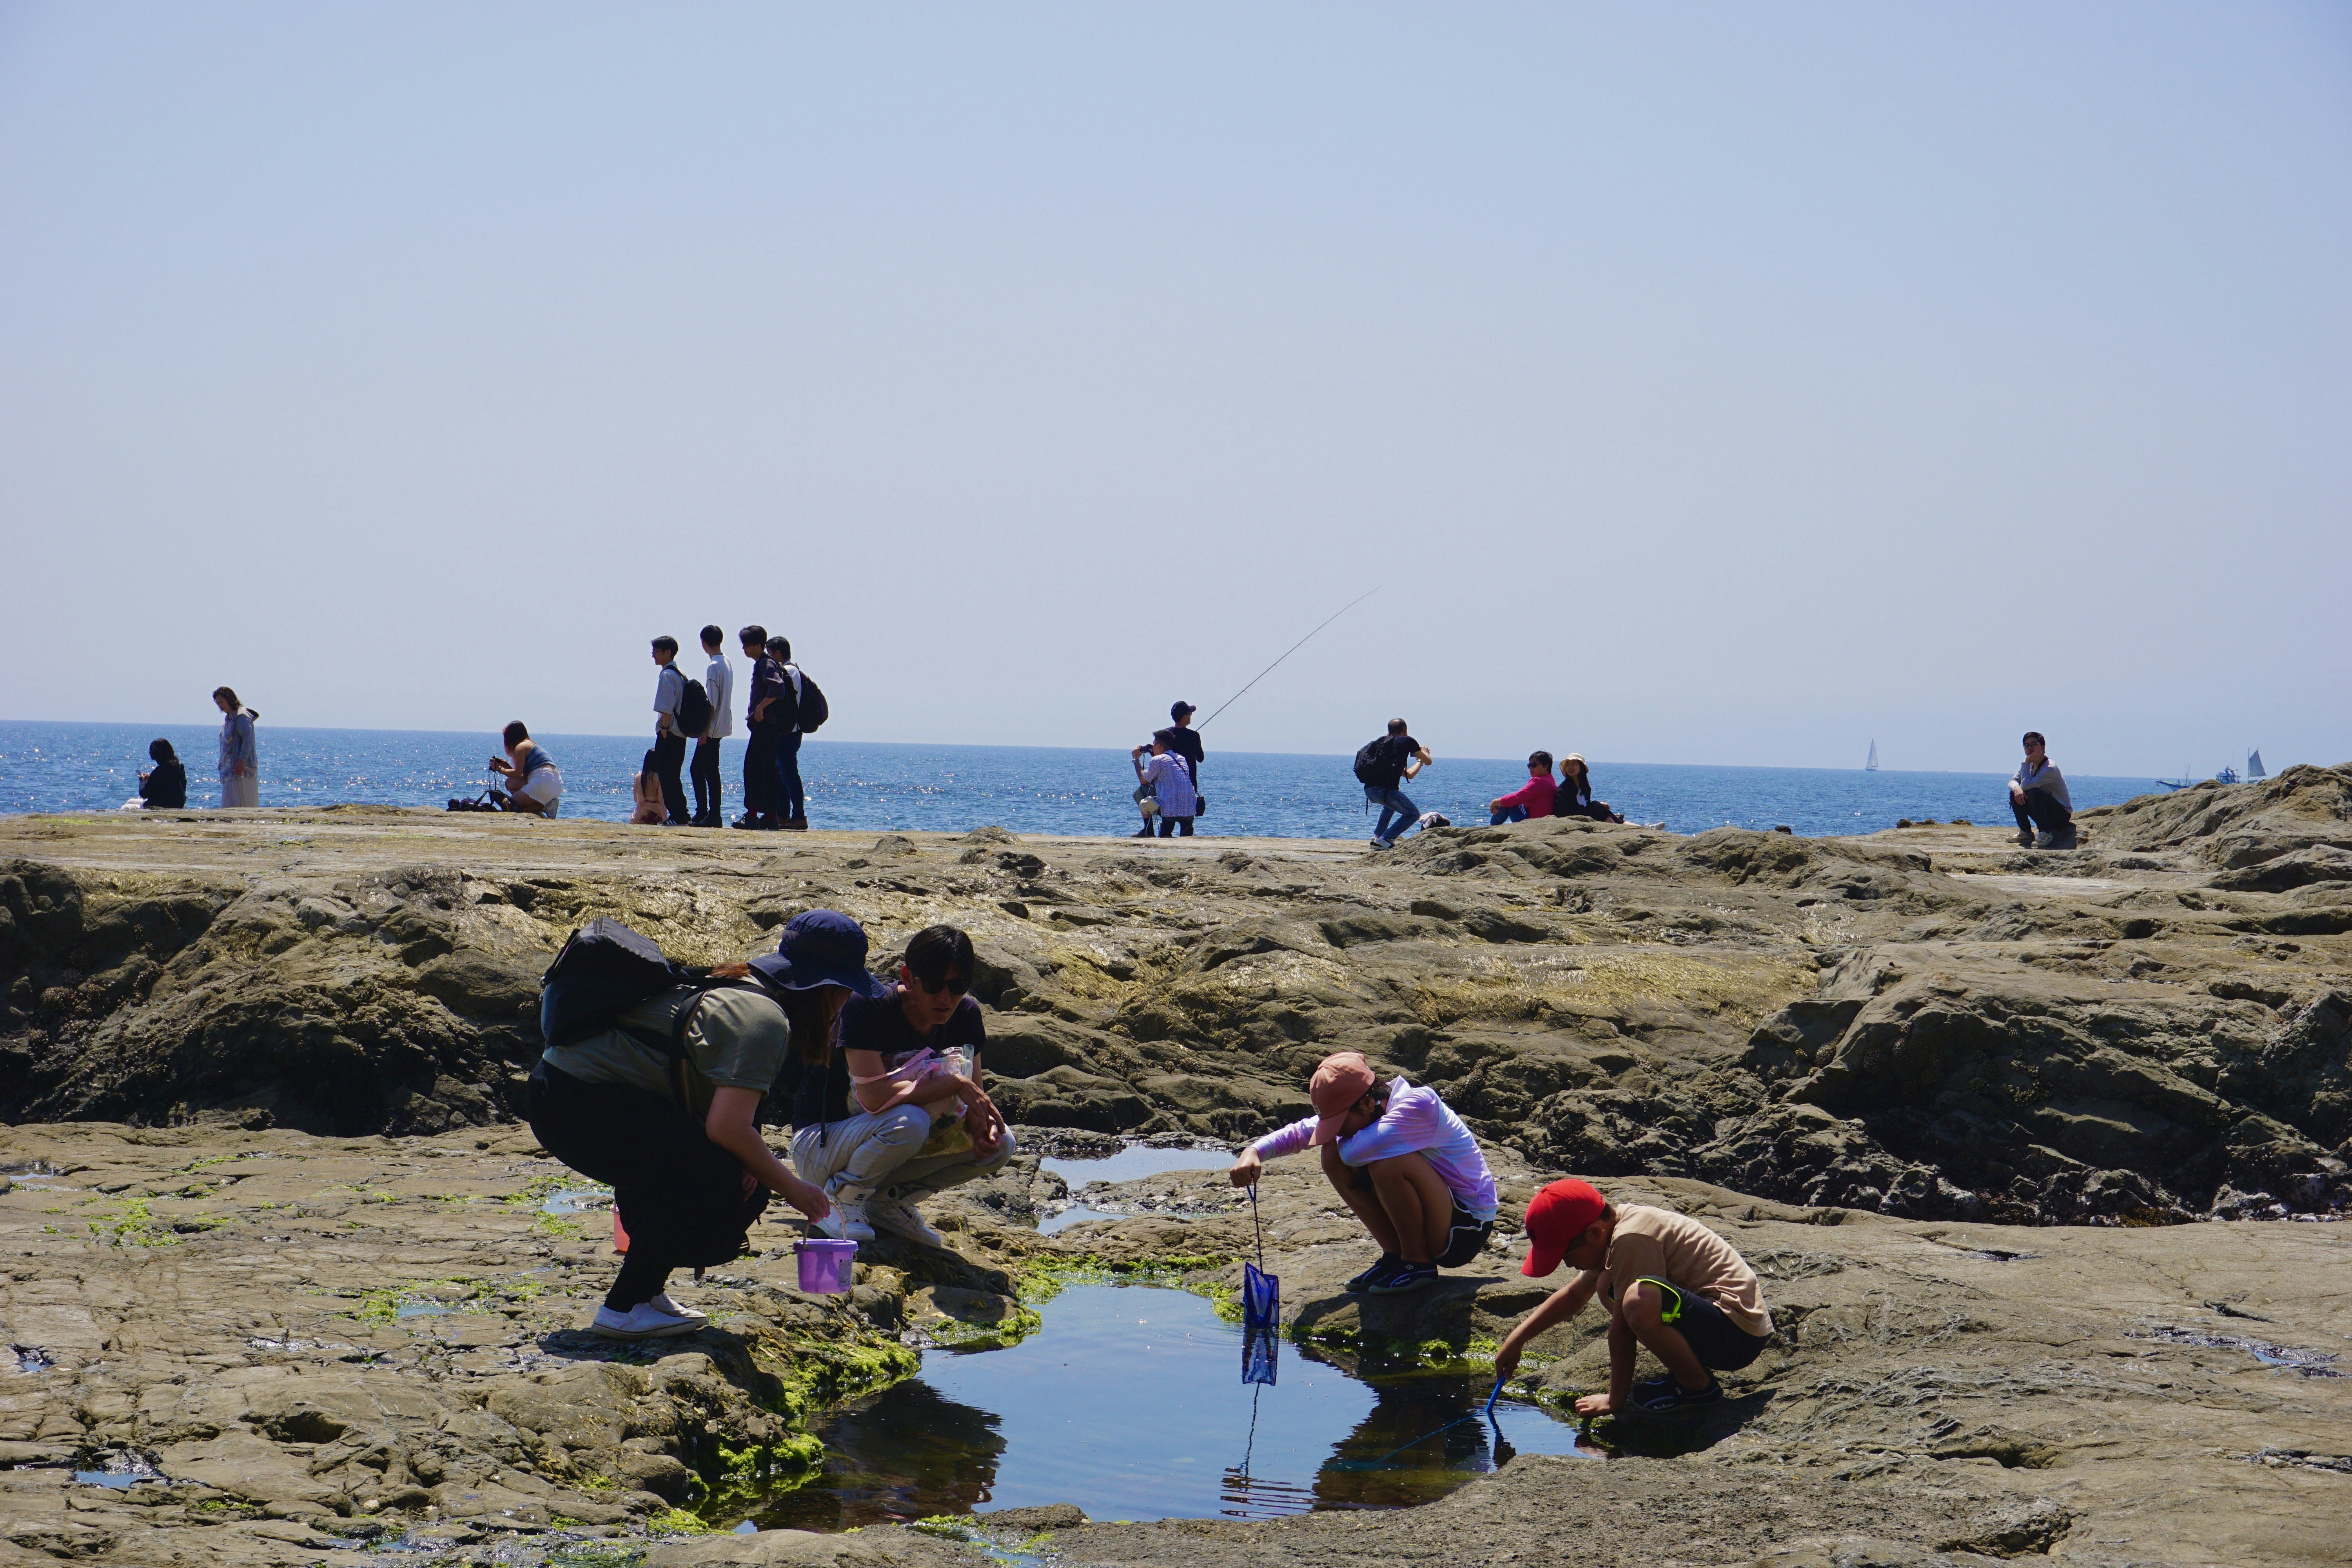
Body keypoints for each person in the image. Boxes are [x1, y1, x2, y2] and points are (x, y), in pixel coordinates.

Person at [524, 918, 852, 1338]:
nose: (847, 1003)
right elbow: (726, 1128)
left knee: (715, 1168)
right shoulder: (766, 1019)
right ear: (826, 990)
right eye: (847, 990)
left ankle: (648, 1295)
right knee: (717, 1178)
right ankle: (624, 1307)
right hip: (576, 1104)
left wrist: (747, 1156)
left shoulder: (738, 986)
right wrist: (797, 1189)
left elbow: (710, 1102)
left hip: (566, 1096)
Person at [788, 923, 1014, 1248]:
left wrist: (982, 1132)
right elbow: (875, 1098)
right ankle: (840, 1199)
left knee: (1004, 1143)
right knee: (911, 1121)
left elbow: (973, 1100)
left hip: (886, 1146)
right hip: (822, 1146)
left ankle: (887, 1201)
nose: (946, 998)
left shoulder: (966, 1015)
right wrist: (954, 1083)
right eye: (934, 985)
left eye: (958, 985)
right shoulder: (867, 1005)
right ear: (908, 977)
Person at [1228, 1050, 1498, 1296]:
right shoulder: (1369, 1106)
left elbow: (1353, 1153)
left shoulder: (1419, 1104)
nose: (1338, 1130)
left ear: (1368, 1103)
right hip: (1442, 1215)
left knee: (1384, 1163)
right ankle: (1396, 1256)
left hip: (1467, 1227)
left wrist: (1332, 1137)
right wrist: (1254, 1151)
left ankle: (1418, 1264)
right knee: (1331, 1154)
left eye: (1339, 1122)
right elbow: (1302, 1132)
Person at [1493, 1179, 1773, 1415]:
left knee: (1636, 1301)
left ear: (1594, 1233)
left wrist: (1615, 1400)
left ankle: (1699, 1389)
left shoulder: (1631, 1237)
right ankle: (1688, 1376)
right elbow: (1574, 1296)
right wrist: (1516, 1340)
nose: (1567, 1266)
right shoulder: (1612, 1233)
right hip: (1716, 1325)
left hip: (1736, 1335)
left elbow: (1623, 1329)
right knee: (1610, 1285)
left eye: (1567, 1255)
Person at [736, 625, 783, 830]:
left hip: (765, 726)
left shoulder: (765, 663)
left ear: (758, 645)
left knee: (754, 769)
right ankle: (771, 815)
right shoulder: (766, 663)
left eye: (747, 645)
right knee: (769, 770)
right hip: (770, 727)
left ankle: (753, 814)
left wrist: (760, 708)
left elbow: (778, 687)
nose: (744, 649)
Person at [1361, 719, 1434, 849]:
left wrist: (1419, 762)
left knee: (1390, 806)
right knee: (1413, 814)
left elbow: (1410, 774)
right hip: (1385, 791)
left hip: (1370, 791)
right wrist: (1424, 754)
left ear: (1389, 731)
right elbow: (1428, 761)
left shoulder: (1383, 745)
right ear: (1405, 731)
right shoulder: (1407, 741)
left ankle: (1377, 838)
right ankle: (1386, 839)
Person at [690, 625, 734, 828]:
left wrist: (703, 731)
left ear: (704, 643)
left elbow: (711, 703)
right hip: (723, 725)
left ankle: (710, 814)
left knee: (704, 771)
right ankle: (707, 813)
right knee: (706, 770)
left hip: (713, 727)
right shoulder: (726, 662)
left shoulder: (713, 667)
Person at [769, 635, 809, 831]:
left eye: (770, 653)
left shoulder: (786, 672)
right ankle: (784, 815)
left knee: (789, 775)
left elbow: (782, 702)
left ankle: (799, 817)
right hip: (794, 731)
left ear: (778, 653)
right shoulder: (797, 672)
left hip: (787, 732)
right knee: (783, 775)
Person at [2009, 731, 2074, 849]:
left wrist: (2021, 785)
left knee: (2033, 793)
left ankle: (2045, 833)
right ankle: (2026, 833)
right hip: (2044, 812)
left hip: (2060, 816)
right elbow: (2012, 781)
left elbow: (2027, 785)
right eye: (2027, 745)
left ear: (2043, 747)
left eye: (2034, 744)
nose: (2030, 748)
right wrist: (2016, 788)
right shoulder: (2029, 765)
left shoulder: (2050, 768)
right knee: (2015, 792)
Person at [649, 637, 690, 826]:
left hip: (670, 732)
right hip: (680, 734)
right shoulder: (680, 674)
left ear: (668, 652)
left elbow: (666, 707)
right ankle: (682, 814)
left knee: (667, 776)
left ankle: (678, 816)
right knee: (674, 775)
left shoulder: (667, 675)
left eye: (657, 651)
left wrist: (664, 729)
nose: (654, 655)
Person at [488, 722, 563, 817]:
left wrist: (499, 769)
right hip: (555, 784)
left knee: (510, 805)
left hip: (543, 782)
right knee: (510, 783)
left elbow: (518, 774)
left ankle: (544, 807)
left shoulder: (521, 747)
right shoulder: (531, 745)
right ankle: (547, 806)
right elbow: (522, 776)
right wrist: (506, 766)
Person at [1132, 731, 1198, 838]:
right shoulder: (1181, 759)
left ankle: (1148, 831)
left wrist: (1136, 760)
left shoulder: (1157, 760)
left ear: (1158, 746)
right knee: (1173, 797)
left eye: (1154, 745)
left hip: (1170, 811)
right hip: (1190, 810)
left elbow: (1143, 780)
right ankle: (1186, 827)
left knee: (1141, 791)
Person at [212, 687, 258, 808]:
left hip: (240, 768)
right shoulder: (229, 717)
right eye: (218, 703)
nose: (220, 705)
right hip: (230, 769)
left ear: (230, 699)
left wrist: (242, 761)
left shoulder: (241, 716)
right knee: (230, 804)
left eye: (222, 701)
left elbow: (248, 740)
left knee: (242, 802)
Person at [1551, 754, 1622, 824]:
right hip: (1572, 821)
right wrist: (1596, 805)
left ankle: (1623, 825)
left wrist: (1599, 805)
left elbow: (1585, 806)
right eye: (1568, 765)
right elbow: (1565, 812)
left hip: (1585, 818)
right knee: (1596, 807)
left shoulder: (1585, 787)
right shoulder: (1563, 790)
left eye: (1574, 764)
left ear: (1581, 767)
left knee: (1606, 812)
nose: (1570, 767)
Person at [1489, 751, 1557, 824]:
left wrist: (1494, 803)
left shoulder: (1540, 782)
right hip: (1540, 820)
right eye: (1529, 765)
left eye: (1534, 765)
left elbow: (1517, 798)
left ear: (1546, 766)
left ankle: (1492, 825)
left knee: (1509, 803)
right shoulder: (1549, 780)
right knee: (1507, 800)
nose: (1531, 768)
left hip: (1533, 823)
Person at [1166, 702, 1204, 818]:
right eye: (1190, 714)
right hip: (1189, 784)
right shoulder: (1194, 736)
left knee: (1168, 822)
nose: (1191, 716)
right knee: (1187, 822)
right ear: (1184, 717)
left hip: (1169, 783)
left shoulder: (1165, 735)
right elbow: (1201, 758)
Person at [137, 740, 187, 809]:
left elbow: (144, 794)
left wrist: (142, 779)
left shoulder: (160, 771)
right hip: (178, 805)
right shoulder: (179, 768)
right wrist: (151, 779)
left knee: (127, 807)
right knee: (131, 801)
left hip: (161, 806)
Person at [630, 750, 667, 825]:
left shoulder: (637, 777)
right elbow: (662, 804)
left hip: (637, 820)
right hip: (655, 819)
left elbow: (636, 800)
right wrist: (666, 821)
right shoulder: (660, 778)